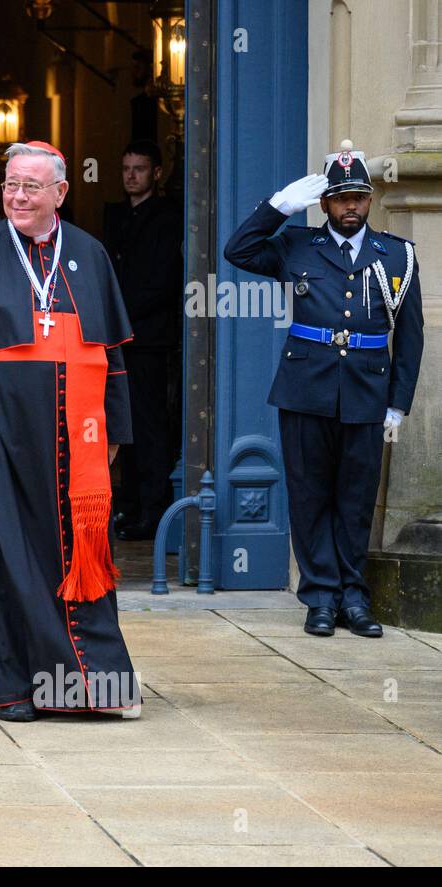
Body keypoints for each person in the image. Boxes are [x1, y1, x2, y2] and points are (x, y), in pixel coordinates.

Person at [0, 141, 140, 721]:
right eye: (11, 185)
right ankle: (19, 689)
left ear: (60, 194)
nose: (17, 196)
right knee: (6, 561)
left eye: (31, 187)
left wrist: (114, 433)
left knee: (78, 556)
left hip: (78, 440)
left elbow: (113, 356)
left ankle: (91, 688)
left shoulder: (90, 255)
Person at [223, 140, 423, 638]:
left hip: (366, 392)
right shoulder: (295, 245)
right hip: (306, 388)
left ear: (370, 199)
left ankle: (354, 599)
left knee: (355, 499)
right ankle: (319, 598)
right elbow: (237, 250)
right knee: (309, 495)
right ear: (325, 203)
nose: (350, 206)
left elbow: (411, 337)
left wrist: (398, 402)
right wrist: (277, 207)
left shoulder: (397, 256)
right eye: (339, 198)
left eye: (358, 197)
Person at [102, 139, 184, 540]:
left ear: (156, 172)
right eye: (125, 168)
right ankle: (129, 508)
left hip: (150, 338)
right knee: (122, 424)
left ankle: (153, 512)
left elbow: (165, 280)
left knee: (149, 426)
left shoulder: (169, 217)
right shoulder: (114, 215)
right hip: (116, 339)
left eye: (138, 168)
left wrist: (120, 312)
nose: (130, 175)